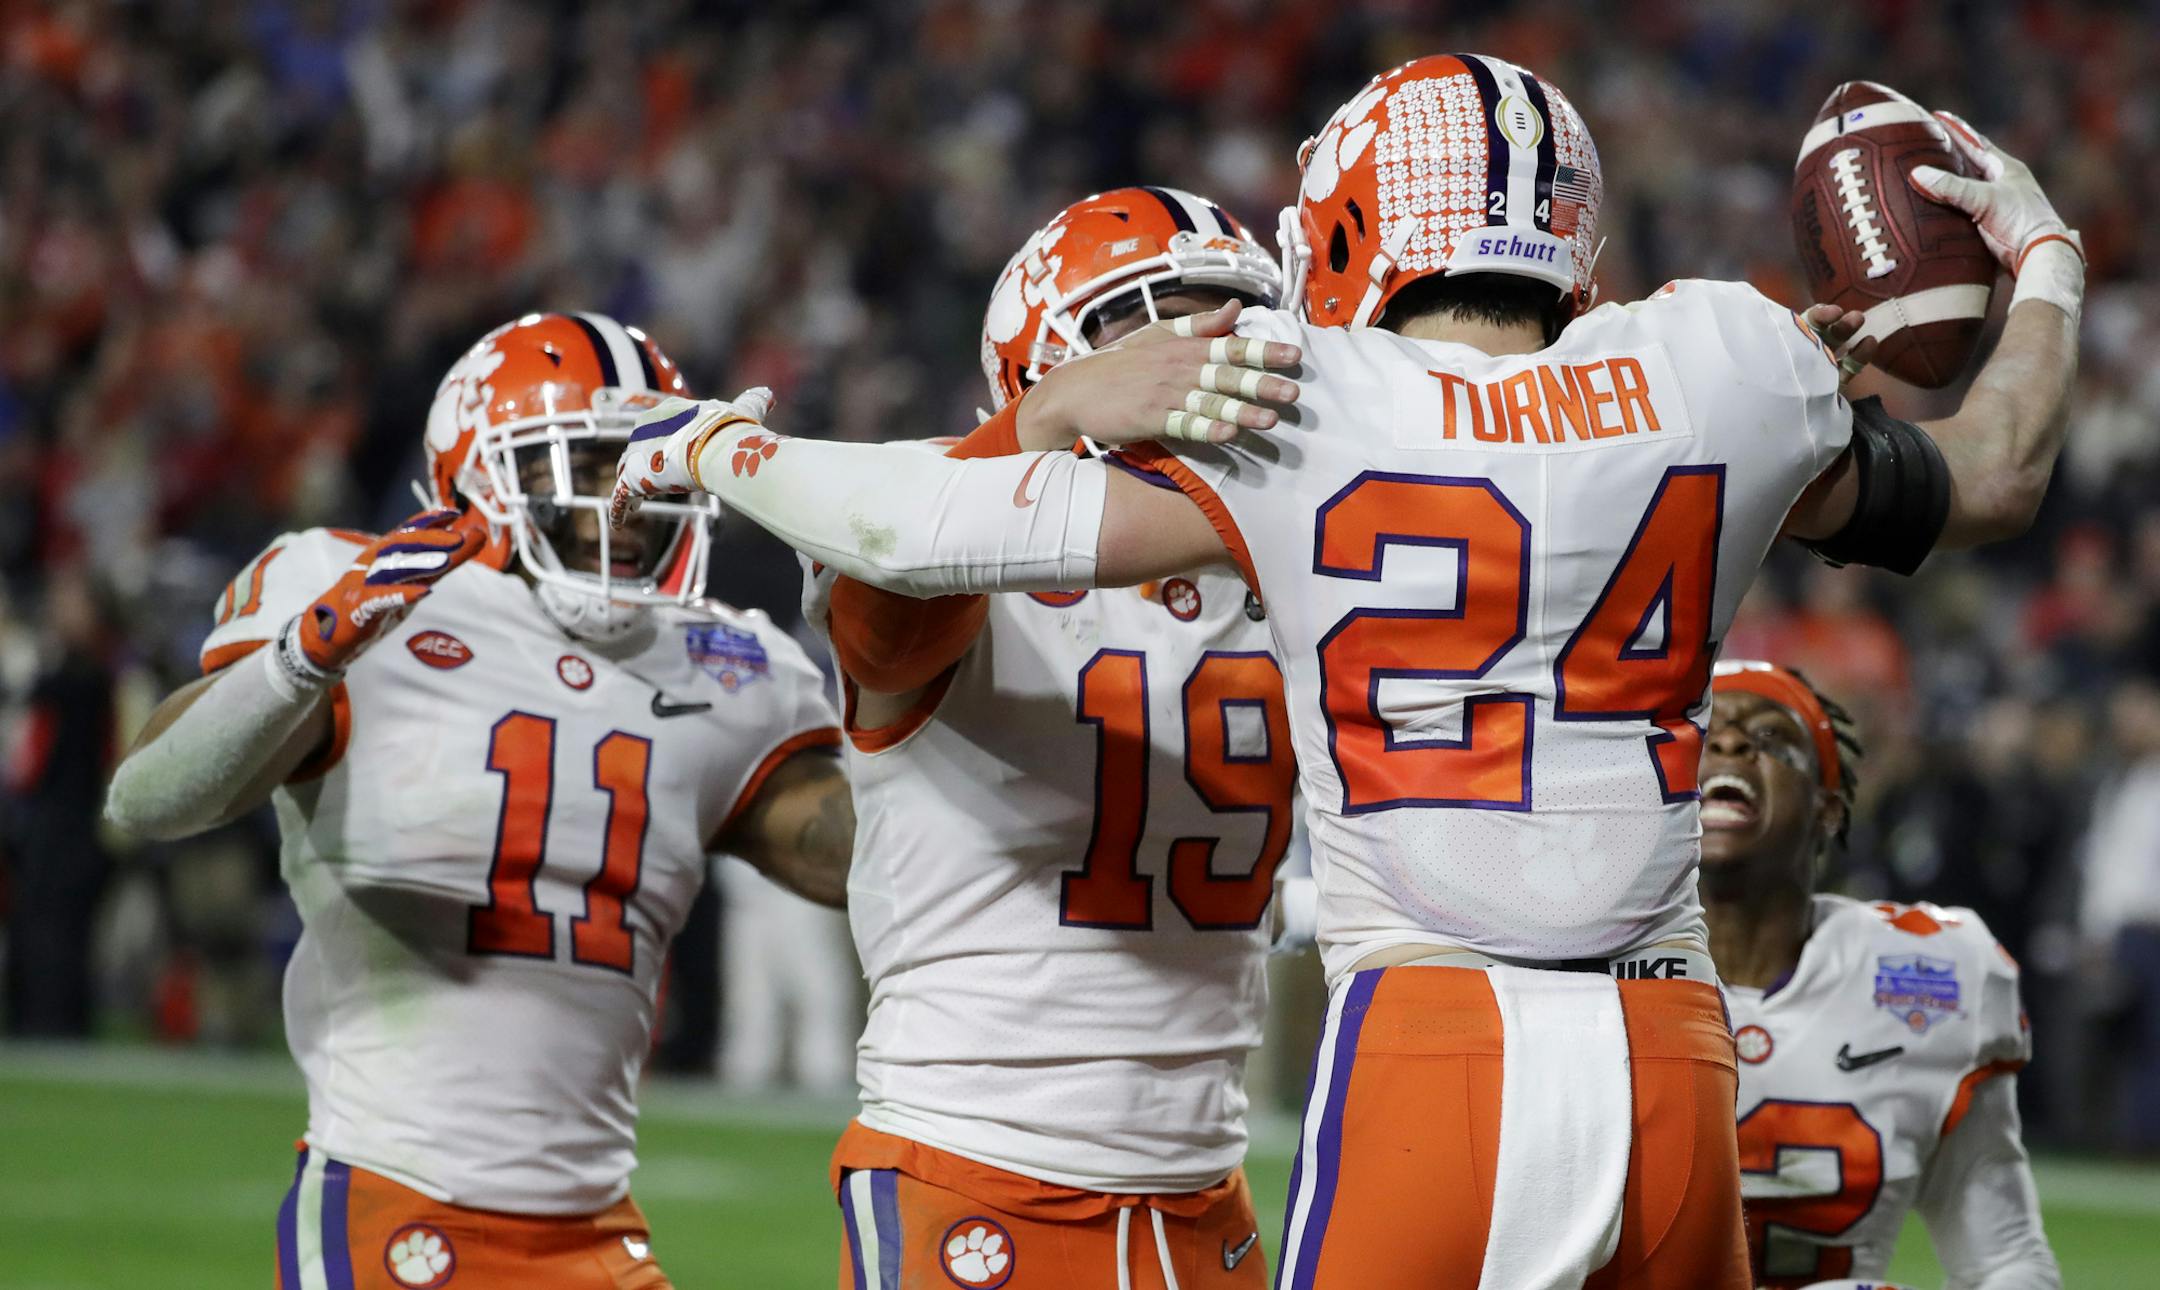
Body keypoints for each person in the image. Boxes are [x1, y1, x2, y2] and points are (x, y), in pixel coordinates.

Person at [614, 54, 2084, 1289]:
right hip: (1665, 1045)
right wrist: (2045, 262)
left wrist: (706, 444)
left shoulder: (1298, 416)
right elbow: (1995, 472)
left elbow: (902, 516)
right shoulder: (1729, 358)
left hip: (1430, 1039)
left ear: (1352, 225)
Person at [104, 312, 853, 1289]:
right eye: (584, 466)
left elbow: (875, 867)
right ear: (483, 478)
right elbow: (148, 797)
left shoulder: (729, 661)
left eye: (643, 467)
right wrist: (305, 657)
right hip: (399, 1205)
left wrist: (898, 669)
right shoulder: (359, 589)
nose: (622, 502)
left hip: (601, 1234)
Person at [813, 188, 1306, 1290]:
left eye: (1236, 322)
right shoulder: (927, 513)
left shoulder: (1293, 546)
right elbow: (879, 640)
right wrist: (1035, 434)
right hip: (980, 1163)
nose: (1207, 359)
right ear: (1049, 359)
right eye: (1165, 325)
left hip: (1204, 1184)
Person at [1704, 659, 2060, 1289]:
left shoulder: (1932, 972)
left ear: (1828, 808)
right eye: (1703, 736)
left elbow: (2003, 1260)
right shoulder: (1577, 978)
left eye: (1771, 738)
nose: (1731, 743)